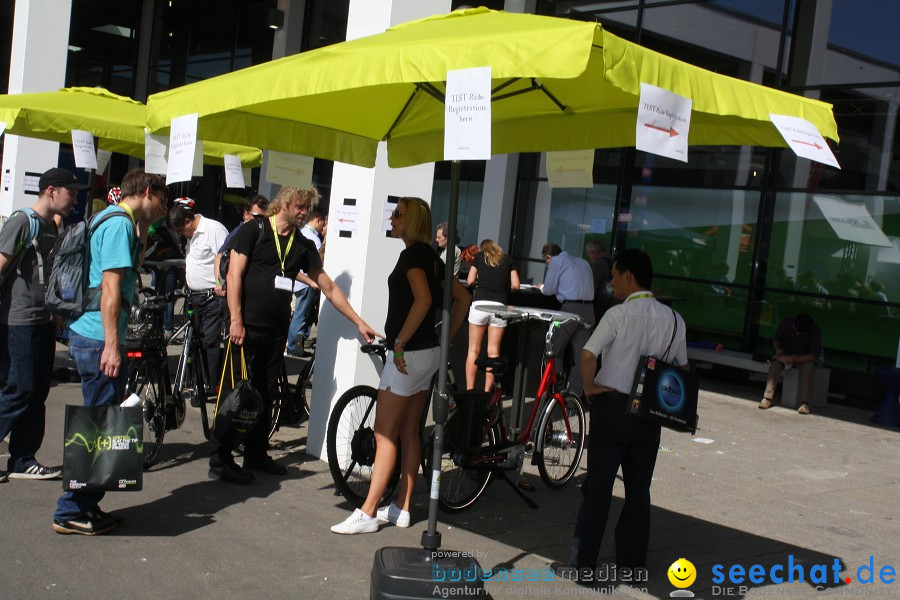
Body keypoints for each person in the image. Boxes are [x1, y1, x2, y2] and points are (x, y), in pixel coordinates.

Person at [215, 186, 378, 484]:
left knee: (265, 391)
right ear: (285, 204)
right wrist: (236, 319)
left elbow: (327, 286)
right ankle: (221, 456)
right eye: (300, 207)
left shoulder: (302, 244)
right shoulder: (255, 230)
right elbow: (233, 274)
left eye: (308, 208)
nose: (304, 213)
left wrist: (358, 321)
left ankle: (256, 453)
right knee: (238, 392)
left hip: (277, 329)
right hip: (246, 326)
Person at [331, 197, 470, 535]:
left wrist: (399, 342)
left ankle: (368, 511)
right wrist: (444, 340)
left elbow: (424, 300)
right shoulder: (432, 259)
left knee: (385, 433)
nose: (392, 218)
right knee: (409, 432)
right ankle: (402, 508)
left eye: (398, 214)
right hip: (427, 354)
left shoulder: (413, 256)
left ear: (413, 220)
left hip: (409, 356)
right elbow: (462, 299)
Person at [53, 168, 168, 535]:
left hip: (90, 334)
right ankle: (71, 509)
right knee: (98, 427)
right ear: (148, 191)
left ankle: (86, 506)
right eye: (163, 201)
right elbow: (110, 289)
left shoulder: (115, 219)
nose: (166, 209)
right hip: (99, 337)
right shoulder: (119, 225)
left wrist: (145, 229)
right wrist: (113, 345)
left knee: (100, 424)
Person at [565, 249, 688, 574]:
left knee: (599, 490)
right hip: (650, 413)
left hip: (613, 406)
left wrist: (589, 387)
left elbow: (589, 354)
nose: (611, 282)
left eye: (615, 275)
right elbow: (683, 369)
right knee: (638, 491)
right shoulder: (674, 319)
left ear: (629, 277)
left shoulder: (618, 315)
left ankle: (584, 565)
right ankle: (632, 564)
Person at [0, 168, 82, 482]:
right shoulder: (22, 221)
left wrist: (58, 311)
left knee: (36, 393)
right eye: (71, 193)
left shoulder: (51, 226)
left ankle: (22, 459)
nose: (75, 200)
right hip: (18, 321)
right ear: (51, 190)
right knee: (18, 389)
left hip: (44, 320)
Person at [167, 198, 229, 383]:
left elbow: (225, 259)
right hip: (194, 296)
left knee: (209, 340)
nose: (180, 234)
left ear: (188, 221)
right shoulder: (190, 234)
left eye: (180, 230)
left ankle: (209, 383)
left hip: (212, 296)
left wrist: (221, 282)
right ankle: (195, 380)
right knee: (194, 339)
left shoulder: (213, 229)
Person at [538, 243, 595, 397]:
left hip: (570, 309)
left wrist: (541, 287)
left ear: (549, 257)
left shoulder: (557, 261)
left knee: (554, 349)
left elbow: (549, 290)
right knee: (580, 356)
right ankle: (574, 394)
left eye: (546, 262)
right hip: (589, 310)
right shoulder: (583, 262)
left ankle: (557, 387)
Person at [465, 239, 519, 391]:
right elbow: (516, 285)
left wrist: (480, 282)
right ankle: (488, 392)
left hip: (480, 305)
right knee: (494, 352)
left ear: (483, 249)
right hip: (499, 307)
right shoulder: (508, 259)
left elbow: (469, 281)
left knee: (473, 350)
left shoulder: (479, 257)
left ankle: (470, 390)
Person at [759, 313, 821, 415]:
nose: (797, 334)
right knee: (775, 365)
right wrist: (778, 349)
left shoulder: (815, 331)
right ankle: (767, 398)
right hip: (785, 353)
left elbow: (812, 356)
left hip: (803, 358)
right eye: (796, 331)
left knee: (809, 367)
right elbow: (776, 340)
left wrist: (792, 358)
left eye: (801, 333)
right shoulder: (786, 323)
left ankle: (805, 403)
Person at [286, 206, 327, 356]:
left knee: (299, 313)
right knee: (301, 315)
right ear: (318, 219)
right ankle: (292, 345)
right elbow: (317, 262)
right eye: (323, 223)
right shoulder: (313, 239)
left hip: (299, 282)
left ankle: (294, 344)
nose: (323, 227)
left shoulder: (301, 233)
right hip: (308, 281)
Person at [585, 239, 614, 323]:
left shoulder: (598, 264)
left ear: (593, 252)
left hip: (600, 305)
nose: (589, 257)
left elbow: (591, 286)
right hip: (611, 302)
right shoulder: (612, 261)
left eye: (589, 254)